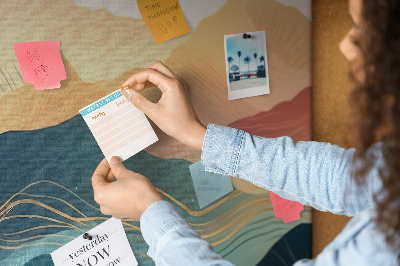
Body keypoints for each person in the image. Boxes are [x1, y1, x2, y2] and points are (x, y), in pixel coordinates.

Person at [91, 0, 400, 264]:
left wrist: (149, 210)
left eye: (364, 31)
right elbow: (344, 178)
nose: (345, 46)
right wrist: (197, 136)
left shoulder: (385, 247)